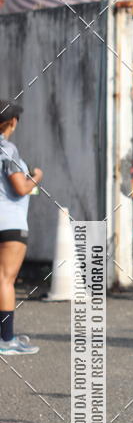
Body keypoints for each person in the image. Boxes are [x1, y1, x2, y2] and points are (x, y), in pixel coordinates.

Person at [0, 100, 42, 356]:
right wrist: (36, 177)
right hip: (10, 224)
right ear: (12, 122)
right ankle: (6, 339)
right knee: (5, 280)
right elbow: (20, 187)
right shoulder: (8, 149)